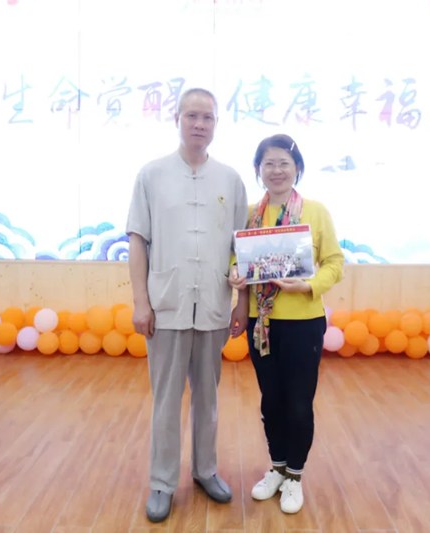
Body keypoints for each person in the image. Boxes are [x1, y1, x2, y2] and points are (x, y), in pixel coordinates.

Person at [126, 88, 248, 523]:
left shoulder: (230, 179)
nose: (199, 124)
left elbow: (242, 248)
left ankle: (205, 470)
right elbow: (137, 240)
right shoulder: (152, 174)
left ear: (216, 124)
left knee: (208, 398)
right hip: (167, 304)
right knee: (165, 400)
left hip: (212, 304)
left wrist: (241, 303)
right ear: (176, 119)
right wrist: (141, 302)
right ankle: (161, 482)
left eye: (208, 117)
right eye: (192, 115)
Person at [229, 134, 344, 514]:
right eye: (269, 163)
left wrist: (308, 285)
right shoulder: (249, 214)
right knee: (271, 401)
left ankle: (295, 475)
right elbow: (236, 259)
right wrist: (235, 274)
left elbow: (334, 263)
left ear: (297, 169)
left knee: (298, 403)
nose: (276, 170)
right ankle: (277, 467)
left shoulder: (315, 211)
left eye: (284, 163)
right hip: (261, 323)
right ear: (258, 169)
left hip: (303, 322)